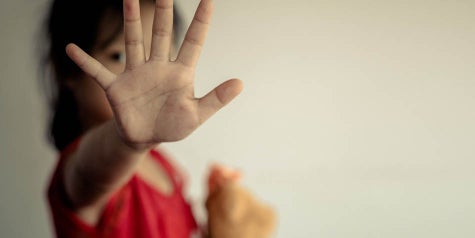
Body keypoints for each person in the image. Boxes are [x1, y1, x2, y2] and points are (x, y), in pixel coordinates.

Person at [41, 0, 275, 237]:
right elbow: (89, 175)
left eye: (157, 56)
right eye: (120, 55)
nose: (146, 77)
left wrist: (219, 220)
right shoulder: (81, 170)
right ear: (67, 69)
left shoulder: (166, 167)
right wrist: (129, 143)